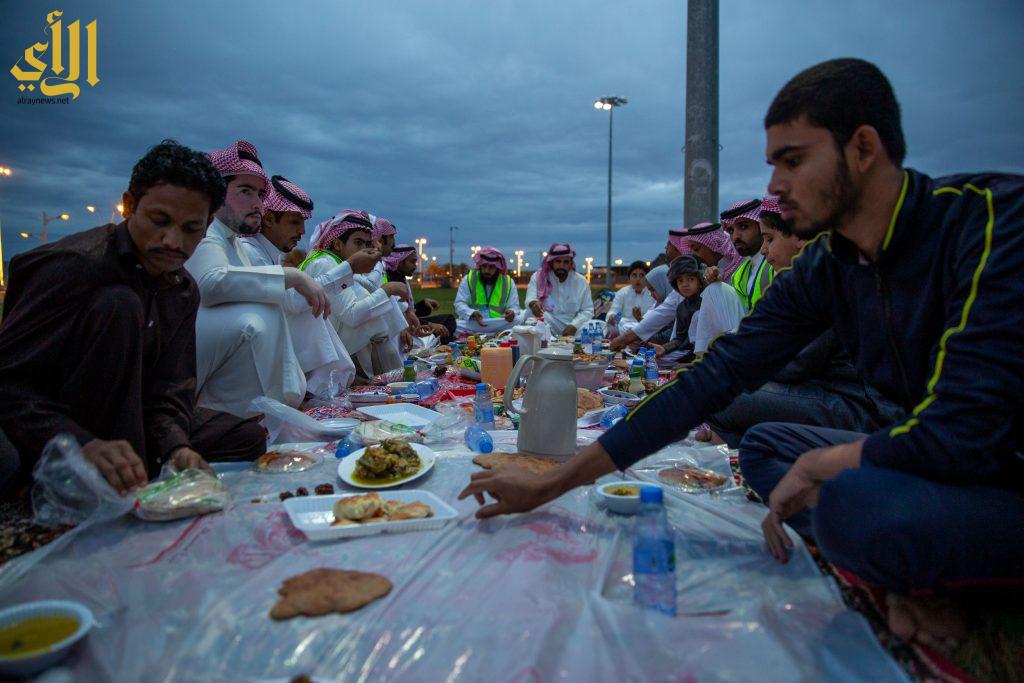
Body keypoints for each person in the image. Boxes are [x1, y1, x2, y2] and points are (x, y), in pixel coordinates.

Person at [459, 58, 1024, 648]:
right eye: (773, 165)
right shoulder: (833, 263)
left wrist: (820, 466)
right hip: (913, 450)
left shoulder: (990, 223)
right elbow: (716, 377)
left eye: (794, 160)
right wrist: (552, 485)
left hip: (998, 469)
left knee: (848, 500)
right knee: (764, 447)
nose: (775, 188)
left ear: (862, 148)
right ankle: (899, 551)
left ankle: (911, 567)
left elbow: (964, 434)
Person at [0, 140, 265, 496]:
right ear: (129, 206)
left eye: (191, 229)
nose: (173, 240)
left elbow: (170, 389)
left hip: (136, 422)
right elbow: (9, 384)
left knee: (246, 437)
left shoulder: (181, 288)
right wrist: (83, 444)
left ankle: (145, 460)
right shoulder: (75, 266)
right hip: (64, 429)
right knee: (120, 305)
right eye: (159, 221)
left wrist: (177, 447)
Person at [701, 194, 902, 447]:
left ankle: (736, 452)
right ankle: (739, 448)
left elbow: (794, 364)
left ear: (799, 236)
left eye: (769, 239)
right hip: (832, 392)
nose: (764, 250)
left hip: (861, 409)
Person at [185, 140, 335, 417]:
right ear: (213, 194)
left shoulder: (234, 242)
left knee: (267, 305)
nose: (257, 203)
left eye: (259, 193)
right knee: (256, 313)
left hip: (216, 362)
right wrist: (293, 277)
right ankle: (247, 418)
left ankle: (276, 411)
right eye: (245, 191)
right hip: (183, 366)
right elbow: (210, 283)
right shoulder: (204, 232)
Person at [239, 175, 359, 394]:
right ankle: (319, 390)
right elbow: (292, 305)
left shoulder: (268, 254)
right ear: (268, 219)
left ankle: (325, 387)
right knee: (308, 308)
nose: (302, 231)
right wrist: (349, 268)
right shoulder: (249, 251)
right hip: (252, 367)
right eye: (295, 222)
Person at [301, 212, 406, 378]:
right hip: (324, 364)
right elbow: (352, 314)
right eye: (358, 243)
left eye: (367, 243)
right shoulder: (324, 263)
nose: (364, 249)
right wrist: (387, 291)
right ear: (337, 243)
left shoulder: (337, 262)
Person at [650, 254, 744, 364]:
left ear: (699, 282)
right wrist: (665, 348)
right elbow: (680, 338)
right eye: (680, 281)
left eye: (690, 279)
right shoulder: (681, 307)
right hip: (687, 352)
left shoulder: (708, 300)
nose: (685, 284)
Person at [384, 244, 454, 339]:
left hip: (410, 324)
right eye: (412, 262)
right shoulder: (390, 281)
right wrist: (429, 324)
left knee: (448, 319)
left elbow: (408, 311)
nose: (415, 266)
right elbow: (399, 317)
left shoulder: (402, 278)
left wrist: (423, 305)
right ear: (399, 262)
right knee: (442, 328)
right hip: (400, 331)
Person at [525, 243, 594, 338]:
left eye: (566, 262)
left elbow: (588, 310)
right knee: (530, 316)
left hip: (573, 326)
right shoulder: (539, 277)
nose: (561, 265)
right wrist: (534, 304)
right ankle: (549, 340)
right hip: (547, 322)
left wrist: (574, 325)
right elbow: (530, 299)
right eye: (558, 261)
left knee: (596, 325)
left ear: (570, 263)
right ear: (551, 262)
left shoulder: (581, 281)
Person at [721, 198, 773, 309]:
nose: (735, 236)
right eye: (731, 231)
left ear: (762, 227)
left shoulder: (776, 264)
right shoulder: (740, 273)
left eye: (743, 226)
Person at [454, 246, 521, 334]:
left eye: (491, 267)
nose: (487, 270)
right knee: (454, 324)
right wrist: (471, 313)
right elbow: (459, 303)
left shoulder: (508, 282)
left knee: (518, 320)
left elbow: (514, 306)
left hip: (498, 323)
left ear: (498, 267)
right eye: (484, 266)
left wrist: (512, 312)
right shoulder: (469, 279)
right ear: (480, 265)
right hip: (474, 323)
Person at [605, 261, 656, 337]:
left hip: (645, 328)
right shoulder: (622, 292)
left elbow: (654, 318)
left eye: (642, 275)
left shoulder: (653, 293)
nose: (638, 279)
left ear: (647, 278)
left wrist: (640, 319)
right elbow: (614, 310)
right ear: (629, 278)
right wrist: (612, 316)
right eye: (634, 275)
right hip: (624, 328)